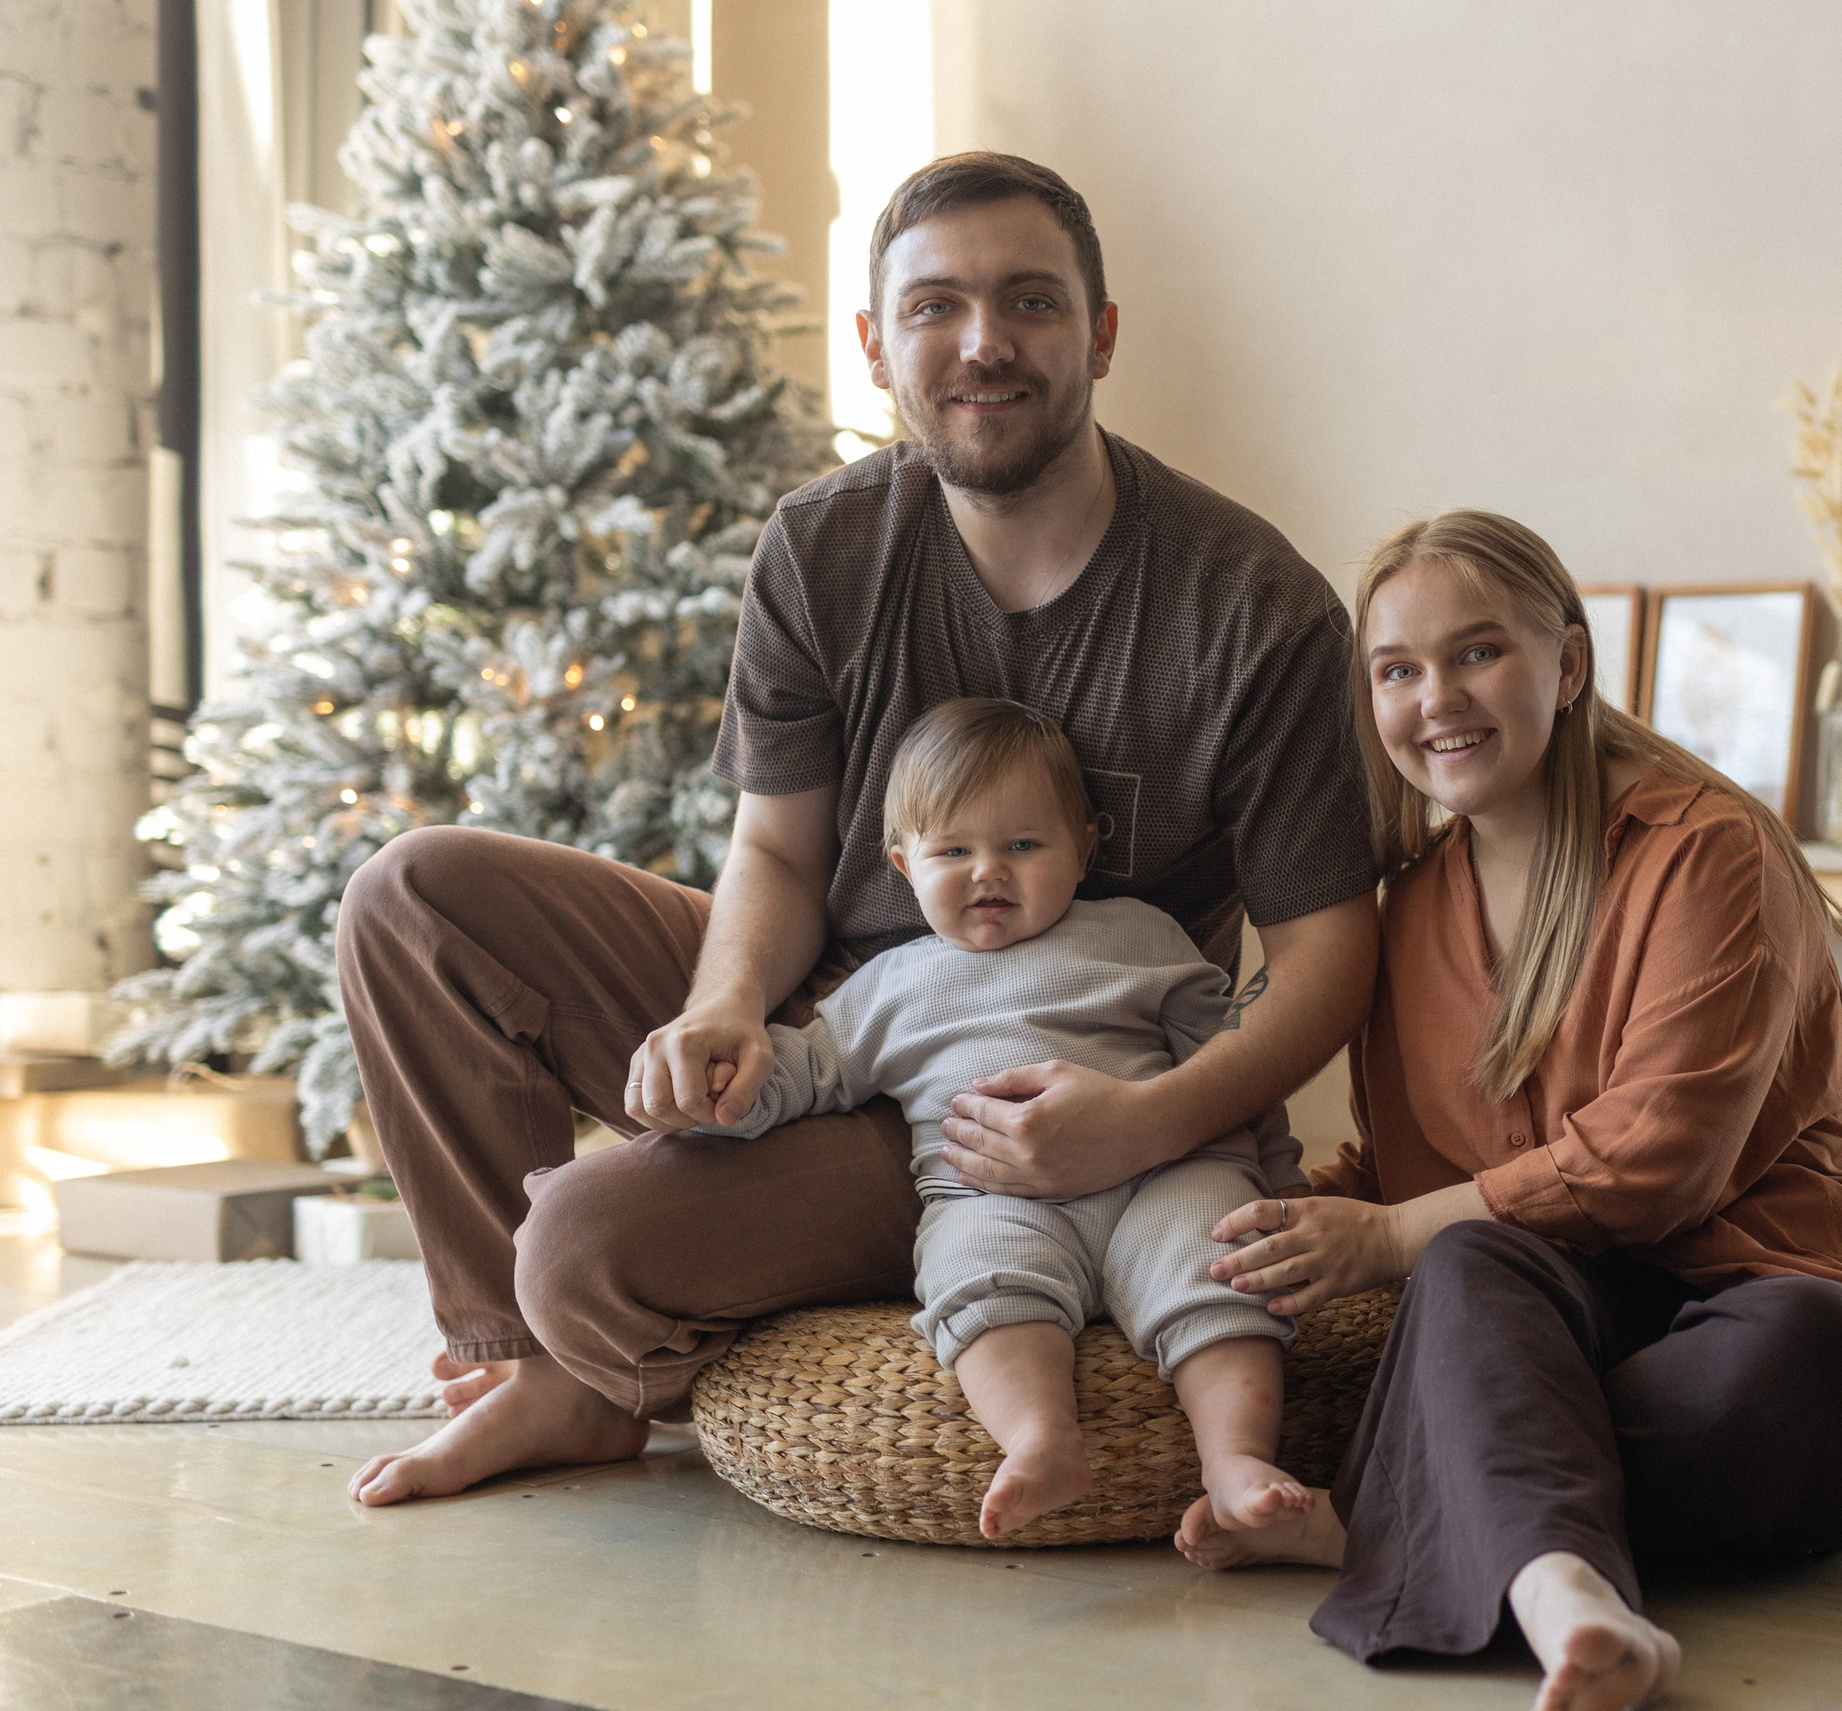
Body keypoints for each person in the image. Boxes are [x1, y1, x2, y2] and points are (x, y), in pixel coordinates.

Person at [337, 153, 1379, 1507]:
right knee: (416, 896)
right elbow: (775, 850)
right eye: (936, 305)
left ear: (1102, 335)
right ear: (877, 344)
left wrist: (1141, 1123)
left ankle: (607, 1327)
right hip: (837, 1010)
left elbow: (1327, 950)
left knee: (589, 1242)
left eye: (1030, 303)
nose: (983, 342)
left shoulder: (1250, 603)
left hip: (1019, 1089)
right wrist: (726, 1005)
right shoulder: (823, 546)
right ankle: (534, 1370)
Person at [1172, 511, 1842, 1711]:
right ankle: (1566, 1595)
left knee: (1791, 1370)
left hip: (1777, 1297)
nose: (1435, 697)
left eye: (1476, 652)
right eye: (1397, 670)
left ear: (1570, 663)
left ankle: (1417, 1512)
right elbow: (1401, 1179)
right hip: (1565, 1320)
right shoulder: (1405, 912)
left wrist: (1388, 1238)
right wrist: (1241, 1224)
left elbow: (1662, 1163)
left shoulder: (1707, 849)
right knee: (1464, 1275)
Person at [692, 697, 1311, 1539]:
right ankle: (1040, 1439)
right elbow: (802, 1071)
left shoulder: (1142, 935)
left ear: (1085, 846)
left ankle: (1236, 1459)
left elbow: (1231, 1066)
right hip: (991, 1196)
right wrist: (717, 1094)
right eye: (956, 850)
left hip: (1166, 1171)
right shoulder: (890, 984)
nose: (990, 871)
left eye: (1023, 845)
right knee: (974, 1277)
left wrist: (1283, 1184)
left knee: (1222, 1266)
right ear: (904, 864)